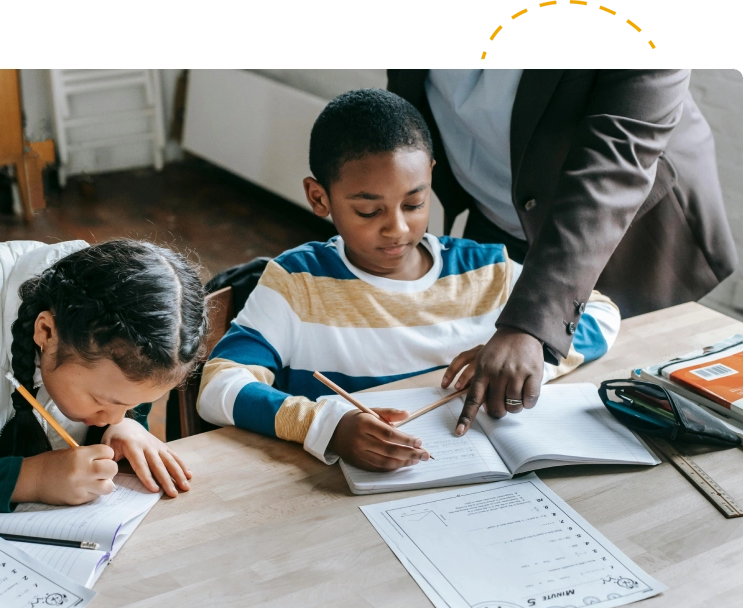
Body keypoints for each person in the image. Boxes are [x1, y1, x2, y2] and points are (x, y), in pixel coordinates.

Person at [196, 89, 620, 471]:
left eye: (414, 203)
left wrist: (527, 358)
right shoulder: (297, 283)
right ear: (319, 197)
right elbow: (220, 384)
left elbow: (601, 312)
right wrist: (326, 425)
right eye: (369, 211)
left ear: (431, 175)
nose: (397, 228)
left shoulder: (484, 268)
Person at [387, 69, 737, 436]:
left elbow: (613, 168)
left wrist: (528, 325)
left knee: (628, 411)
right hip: (491, 209)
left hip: (628, 235)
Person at [0, 238, 207, 512]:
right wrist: (30, 479)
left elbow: (116, 414)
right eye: (102, 400)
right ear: (45, 332)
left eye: (130, 405)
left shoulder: (136, 345)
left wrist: (124, 429)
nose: (114, 416)